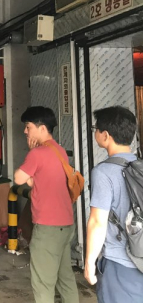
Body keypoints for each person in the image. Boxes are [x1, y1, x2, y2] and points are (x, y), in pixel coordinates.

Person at [14, 106, 79, 303]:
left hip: (47, 228)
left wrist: (32, 152)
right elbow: (35, 181)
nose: (25, 131)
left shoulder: (38, 153)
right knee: (65, 279)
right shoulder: (59, 150)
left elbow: (18, 178)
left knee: (43, 284)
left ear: (42, 128)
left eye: (28, 127)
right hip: (65, 224)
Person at [84, 106, 143, 301]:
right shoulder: (140, 166)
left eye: (96, 129)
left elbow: (97, 222)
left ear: (105, 135)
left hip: (120, 263)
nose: (95, 133)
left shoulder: (103, 172)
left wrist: (89, 262)